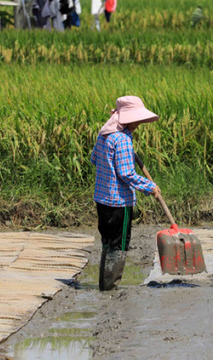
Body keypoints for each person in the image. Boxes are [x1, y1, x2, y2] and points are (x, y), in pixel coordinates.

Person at [91, 96, 161, 291]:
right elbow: (126, 173)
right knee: (119, 245)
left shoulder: (104, 135)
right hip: (118, 203)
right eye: (137, 120)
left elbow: (94, 159)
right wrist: (150, 187)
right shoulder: (121, 139)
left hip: (102, 201)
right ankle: (110, 288)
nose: (139, 123)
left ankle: (105, 285)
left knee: (108, 243)